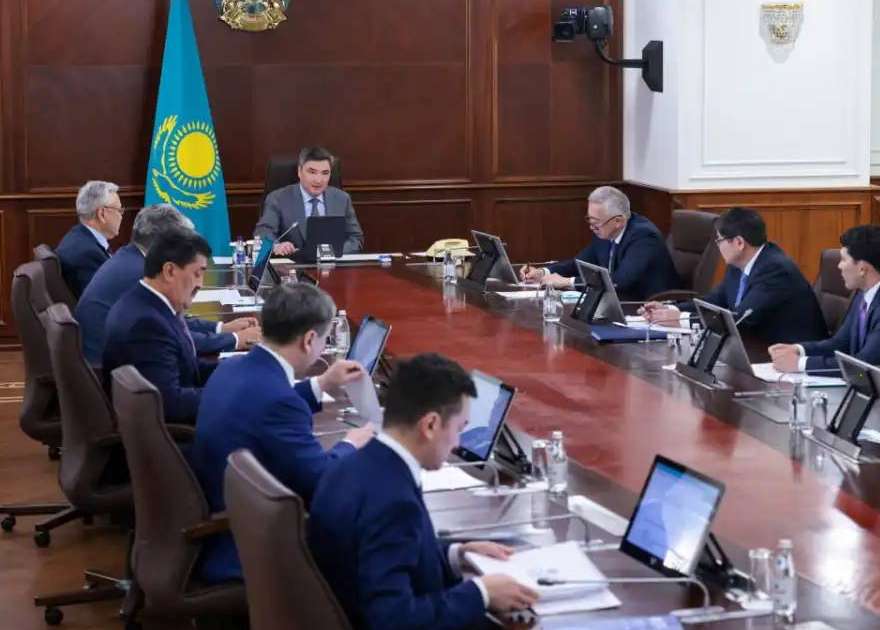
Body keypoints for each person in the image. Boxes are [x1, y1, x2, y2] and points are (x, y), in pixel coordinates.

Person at [308, 353, 539, 629]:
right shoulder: (393, 502)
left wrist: (457, 553)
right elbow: (393, 620)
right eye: (459, 429)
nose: (456, 444)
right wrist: (481, 593)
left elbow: (384, 556)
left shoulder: (351, 466)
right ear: (430, 425)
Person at [190, 282, 376, 583]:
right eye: (325, 338)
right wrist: (351, 444)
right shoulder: (279, 403)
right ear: (309, 340)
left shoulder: (233, 367)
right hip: (249, 543)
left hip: (225, 514)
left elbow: (262, 403)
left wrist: (322, 384)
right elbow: (321, 482)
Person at [76, 204, 260, 365]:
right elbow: (174, 337)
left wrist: (221, 328)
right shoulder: (142, 275)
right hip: (112, 370)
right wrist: (235, 340)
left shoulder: (131, 257)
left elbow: (173, 322)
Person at [767, 225, 880, 387]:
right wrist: (798, 349)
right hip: (875, 391)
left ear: (862, 269)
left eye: (844, 259)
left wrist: (799, 364)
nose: (839, 266)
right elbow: (841, 343)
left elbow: (863, 366)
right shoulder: (866, 291)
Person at [641, 206, 826, 345]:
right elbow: (713, 302)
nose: (718, 246)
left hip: (789, 356)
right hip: (755, 348)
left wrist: (680, 320)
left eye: (719, 240)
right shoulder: (739, 264)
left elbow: (740, 319)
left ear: (738, 243)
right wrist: (672, 309)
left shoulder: (775, 270)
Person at [102, 230, 217, 425]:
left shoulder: (146, 303)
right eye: (197, 273)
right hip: (175, 440)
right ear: (169, 271)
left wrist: (235, 369)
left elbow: (186, 366)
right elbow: (171, 404)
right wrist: (232, 394)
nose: (201, 284)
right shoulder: (146, 325)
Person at [520, 186, 680, 301]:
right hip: (616, 304)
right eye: (589, 219)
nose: (591, 227)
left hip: (645, 307)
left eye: (596, 222)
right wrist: (543, 272)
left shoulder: (644, 237)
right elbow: (579, 263)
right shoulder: (605, 231)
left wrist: (567, 282)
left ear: (618, 221)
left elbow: (619, 282)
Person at [255, 146, 364, 257]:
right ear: (299, 172)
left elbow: (356, 239)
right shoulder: (278, 198)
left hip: (333, 266)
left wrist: (329, 251)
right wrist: (276, 246)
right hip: (292, 268)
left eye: (325, 173)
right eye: (312, 172)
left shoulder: (342, 199)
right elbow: (263, 234)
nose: (318, 180)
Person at [56, 180, 124, 297]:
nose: (121, 216)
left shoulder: (78, 236)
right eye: (119, 210)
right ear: (102, 214)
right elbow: (104, 300)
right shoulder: (87, 253)